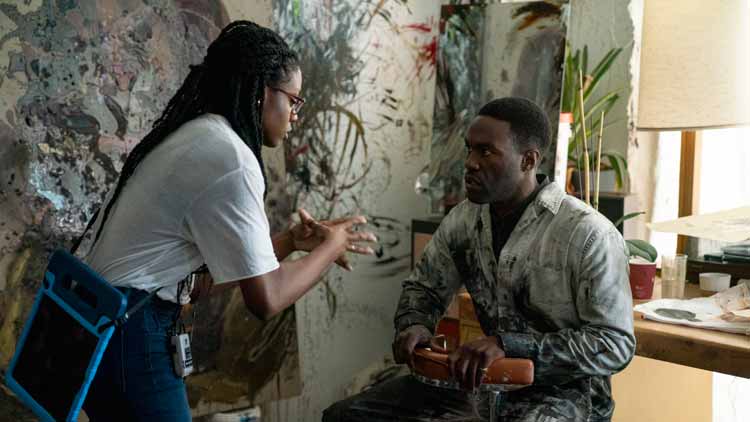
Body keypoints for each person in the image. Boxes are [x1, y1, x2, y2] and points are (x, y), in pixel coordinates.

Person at [80, 21, 376, 421]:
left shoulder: (199, 134)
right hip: (133, 334)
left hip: (106, 329)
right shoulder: (230, 158)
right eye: (294, 101)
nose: (295, 117)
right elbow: (266, 300)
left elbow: (202, 283)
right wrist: (331, 248)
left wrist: (288, 241)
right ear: (261, 93)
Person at [323, 97, 635, 422]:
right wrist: (414, 323)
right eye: (469, 149)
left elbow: (614, 344)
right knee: (345, 416)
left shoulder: (587, 234)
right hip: (481, 386)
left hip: (564, 397)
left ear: (528, 160)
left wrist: (510, 346)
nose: (470, 163)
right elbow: (424, 289)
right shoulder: (464, 220)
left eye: (486, 151)